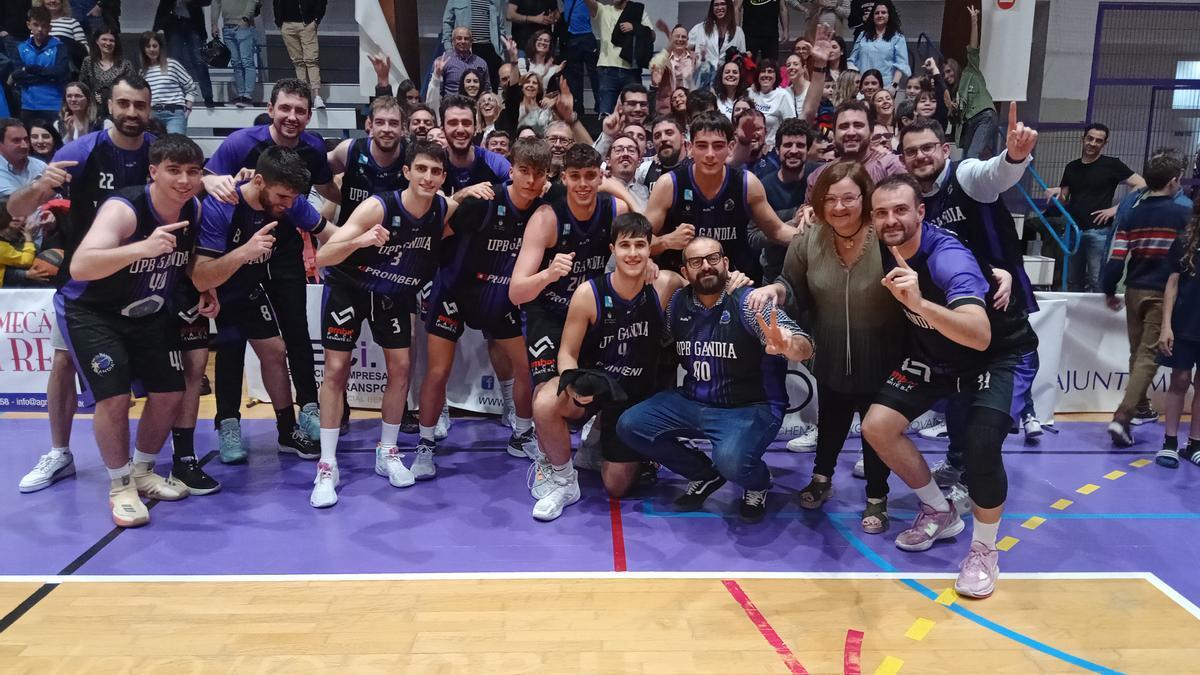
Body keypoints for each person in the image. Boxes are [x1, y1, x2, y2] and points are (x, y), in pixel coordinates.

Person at [861, 173, 1038, 599]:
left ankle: (984, 550)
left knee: (979, 445)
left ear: (921, 212)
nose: (891, 219)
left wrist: (920, 304)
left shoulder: (946, 257)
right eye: (882, 212)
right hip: (937, 355)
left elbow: (979, 334)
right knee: (877, 426)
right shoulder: (883, 248)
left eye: (901, 209)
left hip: (997, 355)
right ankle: (940, 511)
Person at [55, 134, 211, 527]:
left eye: (192, 171)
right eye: (174, 171)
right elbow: (81, 266)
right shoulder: (124, 209)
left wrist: (205, 286)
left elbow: (185, 260)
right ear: (153, 171)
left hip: (148, 310)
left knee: (170, 393)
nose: (184, 180)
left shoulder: (192, 207)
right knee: (114, 398)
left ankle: (142, 471)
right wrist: (140, 248)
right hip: (93, 312)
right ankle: (120, 484)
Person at [749, 159, 902, 530]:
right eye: (830, 199)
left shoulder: (884, 236)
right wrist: (774, 288)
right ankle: (822, 480)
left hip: (882, 354)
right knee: (830, 418)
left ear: (865, 199)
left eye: (848, 198)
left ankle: (877, 497)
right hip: (829, 350)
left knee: (874, 429)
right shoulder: (808, 238)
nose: (838, 207)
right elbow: (790, 283)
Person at [617, 236, 813, 521]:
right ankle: (704, 474)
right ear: (685, 272)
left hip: (750, 406)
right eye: (696, 262)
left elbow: (803, 343)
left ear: (725, 263)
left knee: (732, 462)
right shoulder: (677, 305)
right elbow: (659, 342)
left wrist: (787, 345)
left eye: (712, 259)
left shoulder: (749, 302)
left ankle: (758, 482)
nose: (706, 267)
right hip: (694, 401)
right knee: (631, 424)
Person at [898, 111, 1043, 488]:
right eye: (911, 151)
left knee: (984, 423)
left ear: (945, 149)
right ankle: (957, 463)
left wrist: (1014, 156)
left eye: (928, 147)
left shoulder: (964, 177)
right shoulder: (912, 202)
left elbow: (995, 174)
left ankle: (974, 482)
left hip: (1001, 322)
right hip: (959, 329)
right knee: (962, 407)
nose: (920, 156)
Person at [310, 139, 457, 506]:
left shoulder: (442, 207)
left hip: (391, 295)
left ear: (443, 177)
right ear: (406, 172)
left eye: (436, 171)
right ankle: (327, 465)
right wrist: (361, 239)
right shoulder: (378, 206)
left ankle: (387, 451)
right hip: (349, 289)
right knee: (336, 370)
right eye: (420, 169)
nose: (428, 177)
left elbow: (463, 207)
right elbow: (324, 256)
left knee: (402, 369)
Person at [202, 79, 337, 460]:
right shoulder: (240, 147)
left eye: (300, 110)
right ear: (271, 108)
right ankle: (228, 423)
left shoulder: (307, 161)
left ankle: (303, 415)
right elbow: (203, 180)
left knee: (291, 334)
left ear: (310, 115)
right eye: (286, 108)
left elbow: (329, 203)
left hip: (282, 250)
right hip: (233, 254)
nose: (292, 117)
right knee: (230, 340)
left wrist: (371, 220)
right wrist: (211, 180)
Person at [420, 137, 553, 478]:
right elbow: (439, 230)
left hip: (500, 297)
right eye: (524, 171)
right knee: (438, 371)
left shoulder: (545, 209)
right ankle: (424, 446)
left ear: (547, 176)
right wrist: (460, 195)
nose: (530, 181)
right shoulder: (484, 201)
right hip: (455, 292)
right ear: (512, 171)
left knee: (528, 367)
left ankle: (522, 434)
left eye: (538, 174)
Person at [509, 144, 630, 518]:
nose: (582, 184)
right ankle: (564, 478)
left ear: (600, 176)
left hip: (592, 317)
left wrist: (651, 265)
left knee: (612, 388)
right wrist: (548, 274)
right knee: (546, 401)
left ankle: (597, 443)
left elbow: (641, 237)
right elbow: (516, 292)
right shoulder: (546, 218)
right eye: (574, 176)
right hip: (549, 315)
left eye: (590, 176)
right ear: (564, 178)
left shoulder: (615, 210)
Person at [536, 212, 686, 511]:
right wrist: (574, 384)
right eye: (625, 245)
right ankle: (564, 482)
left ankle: (609, 439)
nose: (633, 253)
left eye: (640, 245)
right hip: (597, 382)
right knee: (544, 402)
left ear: (650, 249)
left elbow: (708, 289)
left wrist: (742, 284)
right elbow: (566, 352)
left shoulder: (666, 284)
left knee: (616, 487)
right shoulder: (588, 293)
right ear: (612, 250)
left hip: (635, 395)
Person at [1102, 153, 1190, 447]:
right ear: (1174, 180)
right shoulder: (1184, 213)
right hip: (1160, 292)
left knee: (1136, 352)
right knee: (1148, 357)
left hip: (1134, 290)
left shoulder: (1131, 213)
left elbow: (1116, 257)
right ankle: (1123, 416)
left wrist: (1108, 288)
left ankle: (1138, 407)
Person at [646, 112, 798, 280]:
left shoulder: (747, 183)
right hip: (683, 281)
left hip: (735, 279)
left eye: (718, 146)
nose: (710, 154)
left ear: (730, 147)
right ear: (690, 147)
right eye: (702, 146)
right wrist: (666, 241)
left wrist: (818, 237)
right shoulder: (669, 184)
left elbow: (777, 231)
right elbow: (639, 242)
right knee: (662, 281)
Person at [1050, 123, 1146, 293]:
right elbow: (1065, 196)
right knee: (1073, 280)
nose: (1093, 143)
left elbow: (1141, 184)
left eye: (1098, 141)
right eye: (1090, 138)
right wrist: (1056, 192)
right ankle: (1074, 319)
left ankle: (1099, 318)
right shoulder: (1072, 167)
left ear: (1104, 143)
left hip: (1098, 231)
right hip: (1073, 229)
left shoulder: (1111, 164)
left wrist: (1117, 209)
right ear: (1083, 139)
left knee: (1097, 280)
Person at [1156, 200, 1200, 467]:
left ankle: (1195, 444)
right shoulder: (1184, 242)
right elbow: (1172, 285)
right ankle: (1170, 442)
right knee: (1180, 380)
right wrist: (1166, 325)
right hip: (1184, 325)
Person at [327, 96, 407, 225]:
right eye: (380, 122)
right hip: (350, 238)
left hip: (393, 241)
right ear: (370, 125)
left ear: (403, 129)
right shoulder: (349, 150)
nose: (386, 129)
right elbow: (316, 168)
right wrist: (343, 200)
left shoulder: (412, 157)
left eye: (393, 123)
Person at [806, 100, 905, 190]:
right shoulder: (818, 176)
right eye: (844, 127)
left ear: (871, 132)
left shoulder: (891, 167)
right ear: (834, 134)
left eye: (858, 125)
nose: (851, 133)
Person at [586, 0, 654, 116]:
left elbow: (652, 35)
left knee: (634, 113)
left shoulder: (637, 11)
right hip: (607, 70)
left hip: (631, 70)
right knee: (606, 114)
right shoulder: (604, 10)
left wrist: (634, 27)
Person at [946, 6, 996, 160]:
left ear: (955, 68)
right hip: (970, 123)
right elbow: (956, 122)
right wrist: (951, 109)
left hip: (984, 115)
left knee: (972, 156)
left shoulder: (970, 71)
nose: (947, 76)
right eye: (944, 74)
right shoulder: (955, 95)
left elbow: (973, 49)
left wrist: (974, 21)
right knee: (966, 159)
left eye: (948, 71)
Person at [12, 7, 71, 127]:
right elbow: (16, 75)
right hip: (28, 106)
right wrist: (47, 76)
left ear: (50, 28)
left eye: (44, 26)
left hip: (53, 105)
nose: (40, 29)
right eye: (36, 25)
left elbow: (59, 73)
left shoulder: (60, 47)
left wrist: (30, 69)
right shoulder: (21, 48)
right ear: (29, 25)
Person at [153, 0, 216, 109]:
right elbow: (163, 5)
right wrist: (156, 28)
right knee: (173, 62)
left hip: (193, 24)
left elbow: (207, 1)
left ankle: (208, 96)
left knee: (199, 61)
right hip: (173, 24)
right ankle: (175, 97)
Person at [137, 31, 199, 135]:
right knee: (154, 148)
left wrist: (188, 106)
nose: (152, 49)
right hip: (152, 115)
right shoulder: (142, 72)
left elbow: (191, 86)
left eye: (155, 46)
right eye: (148, 46)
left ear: (160, 47)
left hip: (174, 114)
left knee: (175, 147)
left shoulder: (172, 64)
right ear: (144, 49)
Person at [442, 0, 507, 89]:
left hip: (491, 49)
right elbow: (447, 24)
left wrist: (500, 50)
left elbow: (500, 27)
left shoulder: (495, 1)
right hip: (465, 49)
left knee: (490, 89)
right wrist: (449, 49)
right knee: (465, 86)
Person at [274, 0, 326, 108]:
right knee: (298, 61)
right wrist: (279, 22)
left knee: (311, 60)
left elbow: (321, 2)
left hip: (307, 24)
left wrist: (316, 20)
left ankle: (317, 96)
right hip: (287, 24)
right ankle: (304, 96)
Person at [848, 0, 909, 92]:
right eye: (877, 13)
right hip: (863, 88)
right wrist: (856, 81)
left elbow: (901, 65)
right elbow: (852, 60)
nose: (880, 15)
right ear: (872, 16)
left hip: (886, 88)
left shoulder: (898, 38)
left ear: (889, 16)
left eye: (883, 12)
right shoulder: (863, 35)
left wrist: (894, 86)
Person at [211, 0, 261, 108]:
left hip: (243, 25)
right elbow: (216, 3)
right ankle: (241, 94)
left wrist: (245, 18)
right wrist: (214, 24)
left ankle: (247, 96)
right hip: (227, 26)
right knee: (235, 62)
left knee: (246, 60)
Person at [689, 0, 744, 91]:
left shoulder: (738, 32)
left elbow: (742, 57)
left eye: (723, 4)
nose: (719, 8)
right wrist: (692, 58)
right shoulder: (700, 28)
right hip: (703, 79)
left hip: (726, 81)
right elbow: (683, 48)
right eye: (716, 5)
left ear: (728, 6)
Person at [79, 25, 136, 110]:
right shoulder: (88, 62)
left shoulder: (125, 64)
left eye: (111, 40)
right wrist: (92, 97)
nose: (108, 43)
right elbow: (82, 86)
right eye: (104, 39)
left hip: (118, 108)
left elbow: (132, 88)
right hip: (93, 110)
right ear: (97, 41)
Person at [750, 59, 796, 153]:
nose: (766, 75)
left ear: (776, 76)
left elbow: (791, 126)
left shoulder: (783, 95)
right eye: (762, 71)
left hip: (772, 150)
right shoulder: (749, 93)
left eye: (770, 72)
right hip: (749, 148)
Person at [0, 118, 47, 198]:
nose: (24, 145)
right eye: (16, 140)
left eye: (26, 139)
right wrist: (38, 185)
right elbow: (14, 203)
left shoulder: (41, 166)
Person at [440, 27, 493, 98]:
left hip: (475, 106)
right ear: (453, 41)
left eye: (466, 39)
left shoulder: (481, 63)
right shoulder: (444, 61)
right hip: (451, 106)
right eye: (459, 38)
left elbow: (487, 89)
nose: (463, 41)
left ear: (471, 42)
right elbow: (438, 90)